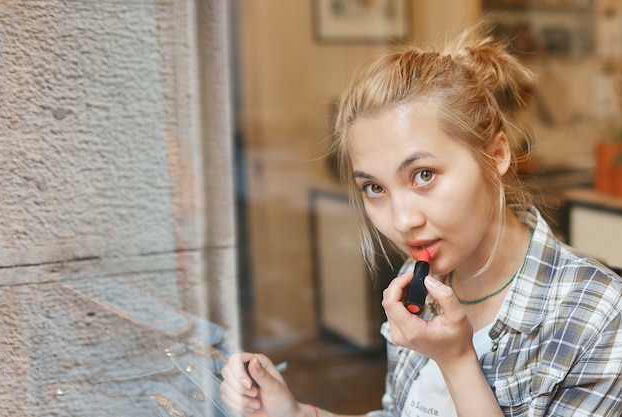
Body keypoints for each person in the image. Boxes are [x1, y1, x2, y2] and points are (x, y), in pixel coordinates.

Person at [220, 26, 622, 417]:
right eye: (374, 188)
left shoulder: (596, 316)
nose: (403, 220)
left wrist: (458, 360)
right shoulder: (421, 280)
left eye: (423, 175)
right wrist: (296, 412)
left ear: (497, 154)